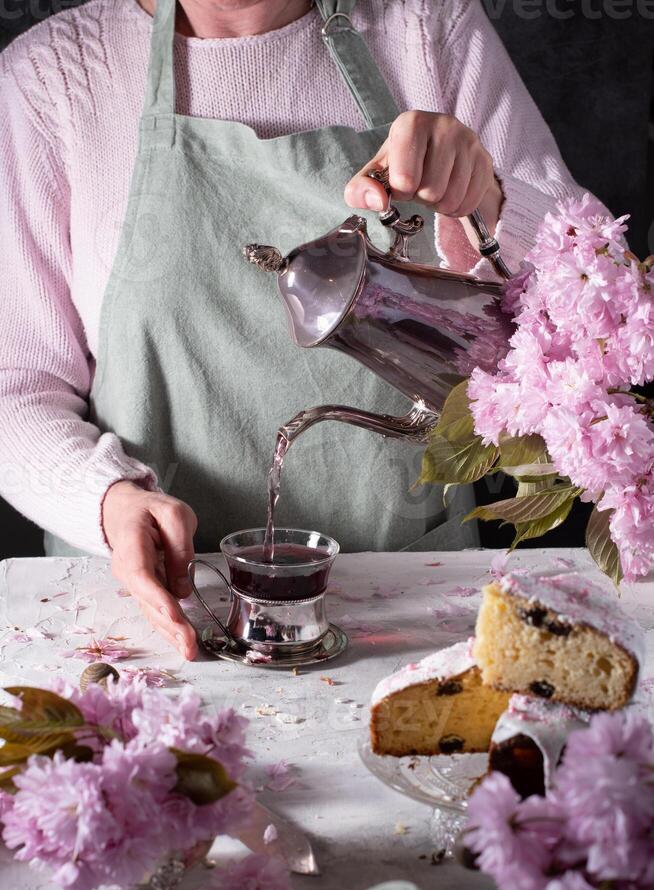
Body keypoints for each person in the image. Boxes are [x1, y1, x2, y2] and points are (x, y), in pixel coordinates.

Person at [0, 0, 600, 658]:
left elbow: (600, 299)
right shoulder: (53, 78)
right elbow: (15, 384)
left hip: (412, 612)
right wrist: (105, 500)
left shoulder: (425, 30)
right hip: (156, 627)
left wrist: (489, 198)